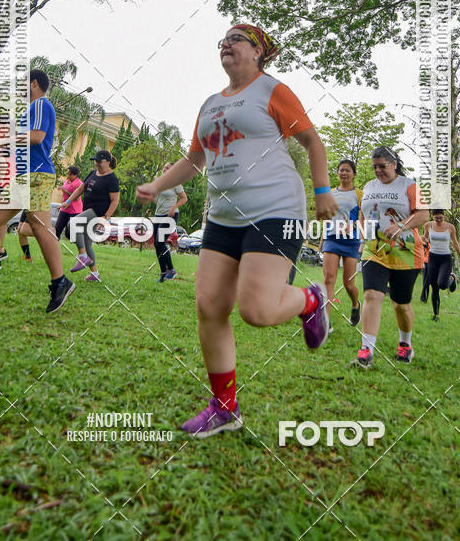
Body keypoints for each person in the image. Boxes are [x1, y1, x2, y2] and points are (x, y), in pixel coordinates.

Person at [137, 24, 337, 438]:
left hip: (276, 210)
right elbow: (195, 159)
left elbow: (312, 143)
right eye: (221, 41)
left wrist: (322, 193)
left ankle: (311, 299)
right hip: (224, 216)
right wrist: (157, 185)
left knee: (257, 310)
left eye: (236, 40)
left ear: (258, 52)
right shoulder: (210, 104)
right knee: (210, 306)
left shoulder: (272, 91)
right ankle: (224, 408)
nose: (226, 45)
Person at [0, 69, 75, 313]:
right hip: (24, 176)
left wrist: (1, 141)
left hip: (37, 175)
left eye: (22, 84)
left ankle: (60, 281)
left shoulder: (40, 104)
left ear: (34, 83)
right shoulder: (32, 108)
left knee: (39, 226)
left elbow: (36, 137)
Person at [353, 146, 430, 368]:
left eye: (382, 166)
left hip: (406, 252)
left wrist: (400, 226)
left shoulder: (409, 185)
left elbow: (423, 215)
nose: (378, 171)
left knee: (401, 304)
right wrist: (363, 237)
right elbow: (363, 214)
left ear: (394, 164)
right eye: (374, 167)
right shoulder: (369, 187)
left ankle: (405, 345)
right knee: (372, 295)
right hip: (374, 250)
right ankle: (366, 349)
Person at [65, 151, 120, 282]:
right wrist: (68, 201)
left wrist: (105, 217)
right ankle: (95, 274)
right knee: (87, 242)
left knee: (73, 223)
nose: (96, 163)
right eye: (95, 161)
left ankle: (82, 256)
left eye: (99, 161)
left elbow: (115, 201)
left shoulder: (112, 178)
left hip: (98, 212)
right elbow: (80, 189)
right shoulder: (92, 173)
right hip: (88, 209)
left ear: (107, 161)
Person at [321, 160, 362, 330]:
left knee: (348, 284)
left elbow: (365, 217)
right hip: (332, 239)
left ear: (353, 174)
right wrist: (323, 237)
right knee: (329, 279)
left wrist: (352, 226)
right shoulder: (330, 193)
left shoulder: (360, 194)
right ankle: (325, 321)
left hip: (351, 241)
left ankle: (355, 304)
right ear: (337, 173)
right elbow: (327, 216)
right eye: (341, 170)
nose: (344, 173)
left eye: (347, 170)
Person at [422, 209, 460, 321]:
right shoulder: (428, 225)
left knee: (442, 285)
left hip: (445, 258)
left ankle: (451, 278)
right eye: (437, 218)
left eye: (441, 217)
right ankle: (436, 315)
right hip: (432, 257)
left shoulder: (450, 227)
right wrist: (424, 240)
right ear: (433, 217)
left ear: (444, 217)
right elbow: (426, 238)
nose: (439, 220)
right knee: (434, 287)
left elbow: (455, 242)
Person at [152, 162, 187, 282]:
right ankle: (163, 272)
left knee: (160, 242)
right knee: (156, 244)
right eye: (164, 167)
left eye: (168, 168)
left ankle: (171, 269)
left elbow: (184, 198)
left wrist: (173, 208)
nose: (165, 169)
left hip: (170, 215)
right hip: (158, 215)